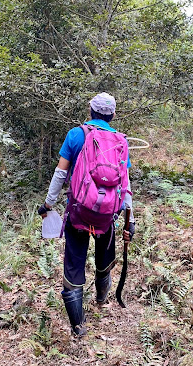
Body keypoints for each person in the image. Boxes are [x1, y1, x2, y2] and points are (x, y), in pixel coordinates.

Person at [38, 92, 135, 337]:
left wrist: (48, 205)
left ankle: (78, 326)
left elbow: (61, 174)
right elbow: (125, 184)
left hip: (78, 213)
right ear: (112, 115)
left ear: (90, 111)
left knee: (73, 264)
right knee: (104, 259)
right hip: (107, 216)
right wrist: (130, 220)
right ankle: (102, 296)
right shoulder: (120, 141)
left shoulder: (76, 135)